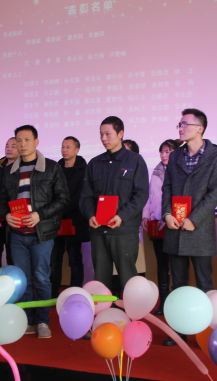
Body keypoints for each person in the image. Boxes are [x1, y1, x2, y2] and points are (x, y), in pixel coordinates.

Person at [161, 109, 217, 345]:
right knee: (178, 284)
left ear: (200, 128)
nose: (180, 128)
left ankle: (205, 333)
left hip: (199, 229)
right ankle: (179, 330)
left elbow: (215, 193)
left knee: (204, 283)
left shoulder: (216, 156)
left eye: (185, 124)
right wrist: (167, 213)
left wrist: (194, 219)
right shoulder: (176, 156)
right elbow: (167, 188)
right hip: (176, 227)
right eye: (179, 124)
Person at [0, 125, 68, 338]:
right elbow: (3, 199)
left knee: (42, 278)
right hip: (17, 234)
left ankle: (43, 320)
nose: (22, 144)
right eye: (18, 140)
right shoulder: (10, 171)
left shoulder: (51, 167)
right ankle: (28, 319)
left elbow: (62, 199)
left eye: (27, 140)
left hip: (41, 234)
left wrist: (40, 214)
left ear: (36, 142)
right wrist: (6, 215)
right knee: (23, 279)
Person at [80, 116, 149, 295]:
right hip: (98, 230)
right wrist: (90, 215)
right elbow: (86, 196)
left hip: (124, 230)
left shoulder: (135, 161)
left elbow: (141, 194)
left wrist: (122, 216)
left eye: (108, 134)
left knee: (127, 277)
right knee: (100, 279)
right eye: (101, 134)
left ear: (120, 134)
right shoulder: (94, 163)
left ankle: (131, 312)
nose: (104, 138)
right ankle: (103, 312)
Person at [142, 139, 178, 316]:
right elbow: (150, 196)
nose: (164, 155)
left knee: (177, 266)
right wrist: (145, 214)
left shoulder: (179, 170)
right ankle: (163, 301)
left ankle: (176, 303)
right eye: (162, 151)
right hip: (157, 224)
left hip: (174, 224)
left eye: (168, 151)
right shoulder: (155, 172)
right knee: (162, 265)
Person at [51, 136, 89, 298]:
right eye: (62, 147)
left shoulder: (84, 169)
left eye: (68, 147)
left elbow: (81, 196)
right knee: (54, 261)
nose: (64, 150)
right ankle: (53, 294)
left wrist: (58, 207)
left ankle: (75, 294)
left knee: (74, 260)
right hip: (56, 221)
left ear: (77, 150)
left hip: (75, 221)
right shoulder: (55, 168)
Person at [0, 137, 19, 267]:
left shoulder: (23, 168)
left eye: (13, 146)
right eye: (7, 145)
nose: (9, 149)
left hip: (14, 216)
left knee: (13, 254)